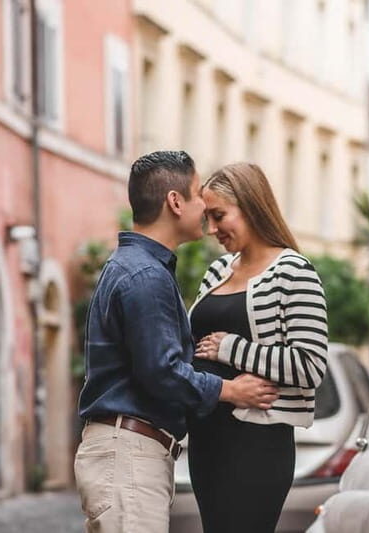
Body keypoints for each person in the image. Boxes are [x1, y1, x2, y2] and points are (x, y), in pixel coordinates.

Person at [74, 151, 279, 533]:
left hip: (126, 452)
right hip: (129, 454)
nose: (205, 207)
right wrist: (231, 390)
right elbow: (161, 371)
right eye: (199, 194)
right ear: (175, 202)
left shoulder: (135, 267)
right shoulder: (145, 276)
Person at [188, 162, 329, 533]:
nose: (212, 229)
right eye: (207, 218)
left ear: (250, 206)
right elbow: (194, 347)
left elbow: (311, 365)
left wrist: (232, 348)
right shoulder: (217, 271)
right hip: (207, 444)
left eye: (219, 216)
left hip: (256, 445)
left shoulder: (294, 271)